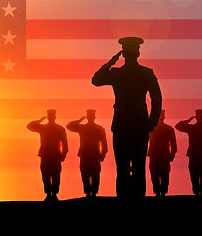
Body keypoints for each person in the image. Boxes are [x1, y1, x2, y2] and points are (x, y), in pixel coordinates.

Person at [92, 37, 162, 197]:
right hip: (138, 125)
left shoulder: (117, 73)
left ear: (124, 54)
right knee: (138, 167)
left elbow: (96, 80)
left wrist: (111, 61)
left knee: (123, 168)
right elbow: (157, 100)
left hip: (123, 126)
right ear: (137, 53)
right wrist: (151, 123)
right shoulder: (145, 73)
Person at [27, 109, 68, 202]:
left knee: (54, 174)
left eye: (51, 116)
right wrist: (40, 120)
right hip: (47, 155)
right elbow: (29, 126)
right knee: (47, 174)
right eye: (50, 116)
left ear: (54, 117)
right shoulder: (44, 128)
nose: (51, 118)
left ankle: (53, 194)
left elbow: (64, 143)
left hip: (54, 155)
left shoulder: (57, 129)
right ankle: (50, 194)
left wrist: (63, 155)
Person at [66, 109, 108, 198]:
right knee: (89, 174)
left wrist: (102, 154)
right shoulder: (94, 128)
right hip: (88, 155)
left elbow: (104, 144)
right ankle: (91, 192)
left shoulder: (86, 128)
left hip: (91, 155)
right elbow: (68, 126)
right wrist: (102, 154)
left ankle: (90, 192)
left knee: (91, 174)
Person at [175, 109, 202, 195]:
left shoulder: (192, 128)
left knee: (196, 174)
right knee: (201, 175)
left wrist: (188, 120)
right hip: (201, 155)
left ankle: (197, 192)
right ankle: (201, 192)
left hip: (196, 155)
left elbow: (178, 126)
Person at [147, 110, 177, 196]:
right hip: (161, 155)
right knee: (162, 175)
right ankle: (161, 192)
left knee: (157, 174)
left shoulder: (151, 129)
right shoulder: (168, 129)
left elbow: (173, 144)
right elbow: (174, 145)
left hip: (157, 155)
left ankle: (159, 192)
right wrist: (172, 155)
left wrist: (172, 155)